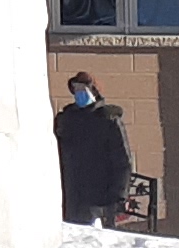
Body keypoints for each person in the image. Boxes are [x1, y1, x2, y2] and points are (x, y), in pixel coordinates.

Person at [56, 71, 134, 227]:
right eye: (76, 90)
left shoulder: (107, 119)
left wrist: (119, 196)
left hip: (97, 196)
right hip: (69, 192)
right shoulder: (67, 119)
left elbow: (122, 161)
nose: (79, 95)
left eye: (83, 90)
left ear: (93, 92)